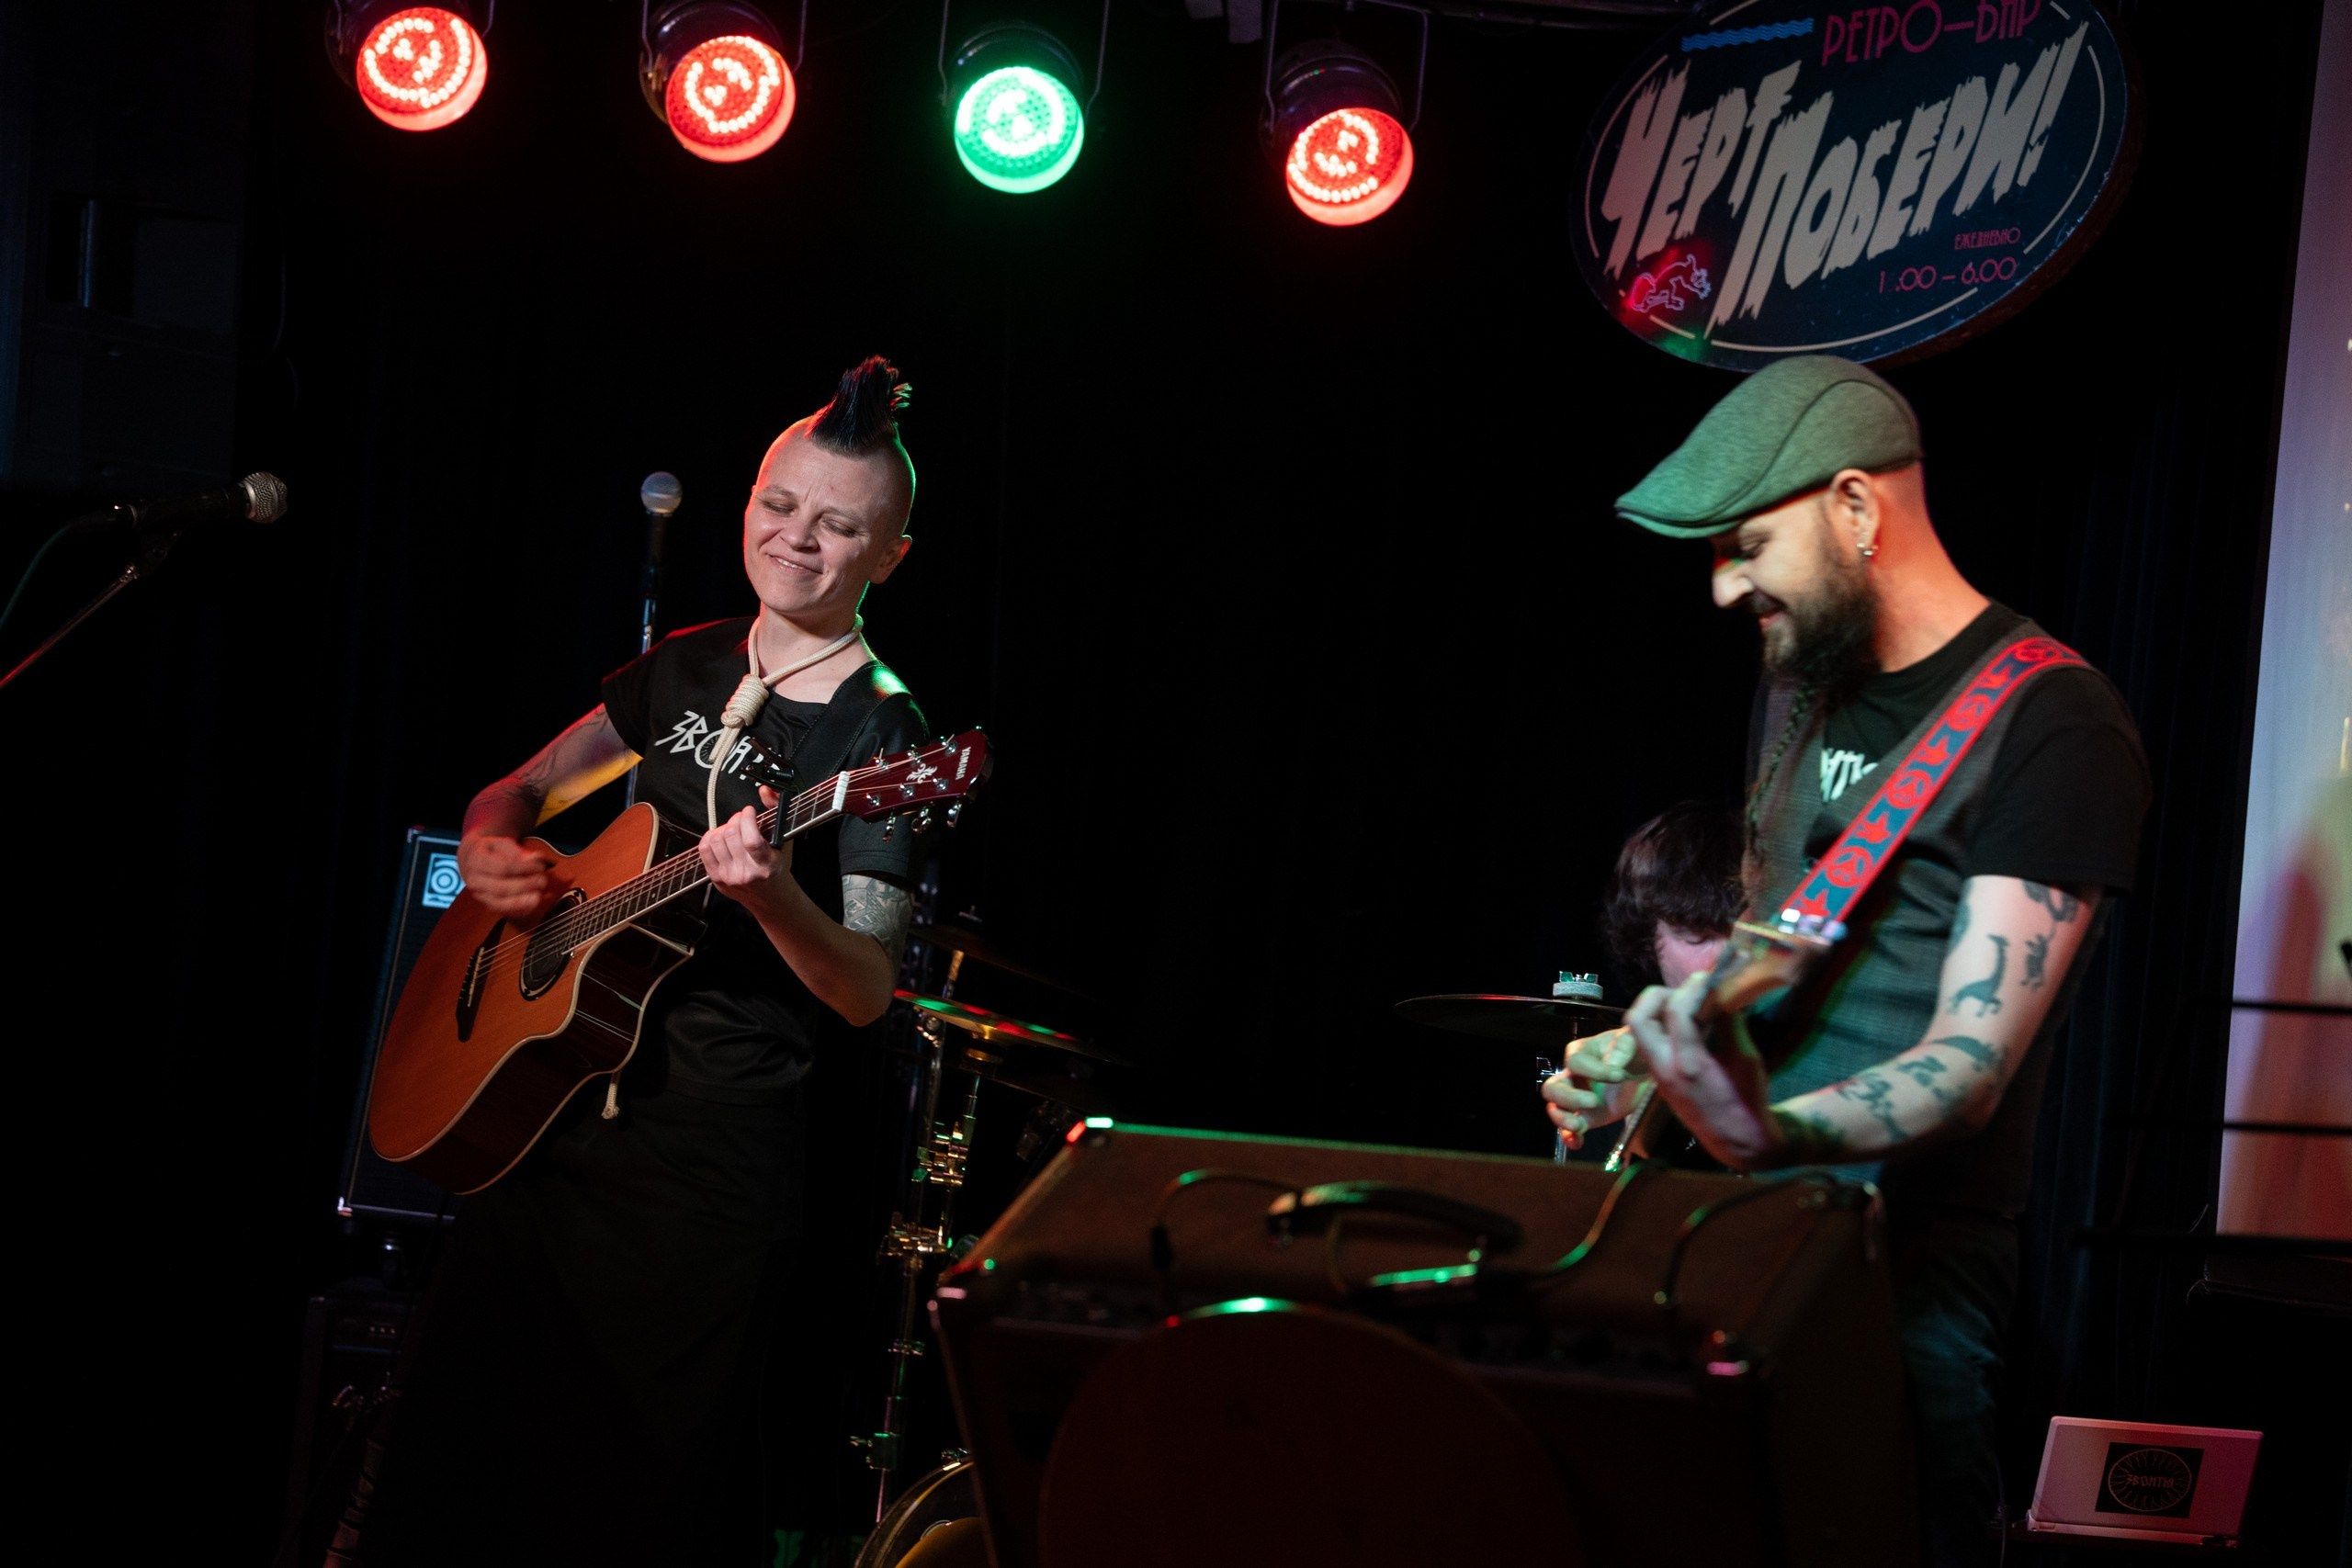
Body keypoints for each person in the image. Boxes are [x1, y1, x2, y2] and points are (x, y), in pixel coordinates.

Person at [1541, 356, 2148, 1567]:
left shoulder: (2056, 723)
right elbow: (1781, 956)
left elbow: (1970, 1064)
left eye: (1748, 544)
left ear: (1858, 509)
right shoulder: (1801, 685)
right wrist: (1652, 1063)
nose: (1725, 587)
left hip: (1901, 1286)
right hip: (1730, 1246)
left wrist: (1766, 1132)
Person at [365, 356, 927, 1566]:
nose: (797, 539)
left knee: (622, 1501)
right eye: (780, 504)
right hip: (542, 1128)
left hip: (703, 1174)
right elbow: (524, 786)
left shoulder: (884, 735)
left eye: (840, 526)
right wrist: (487, 844)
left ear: (890, 554)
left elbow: (867, 987)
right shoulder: (688, 657)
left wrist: (773, 893)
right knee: (456, 1468)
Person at [1562, 804, 1745, 1154]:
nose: (1723, 959)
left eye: (1741, 930)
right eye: (1696, 933)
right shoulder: (1628, 1066)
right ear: (1648, 939)